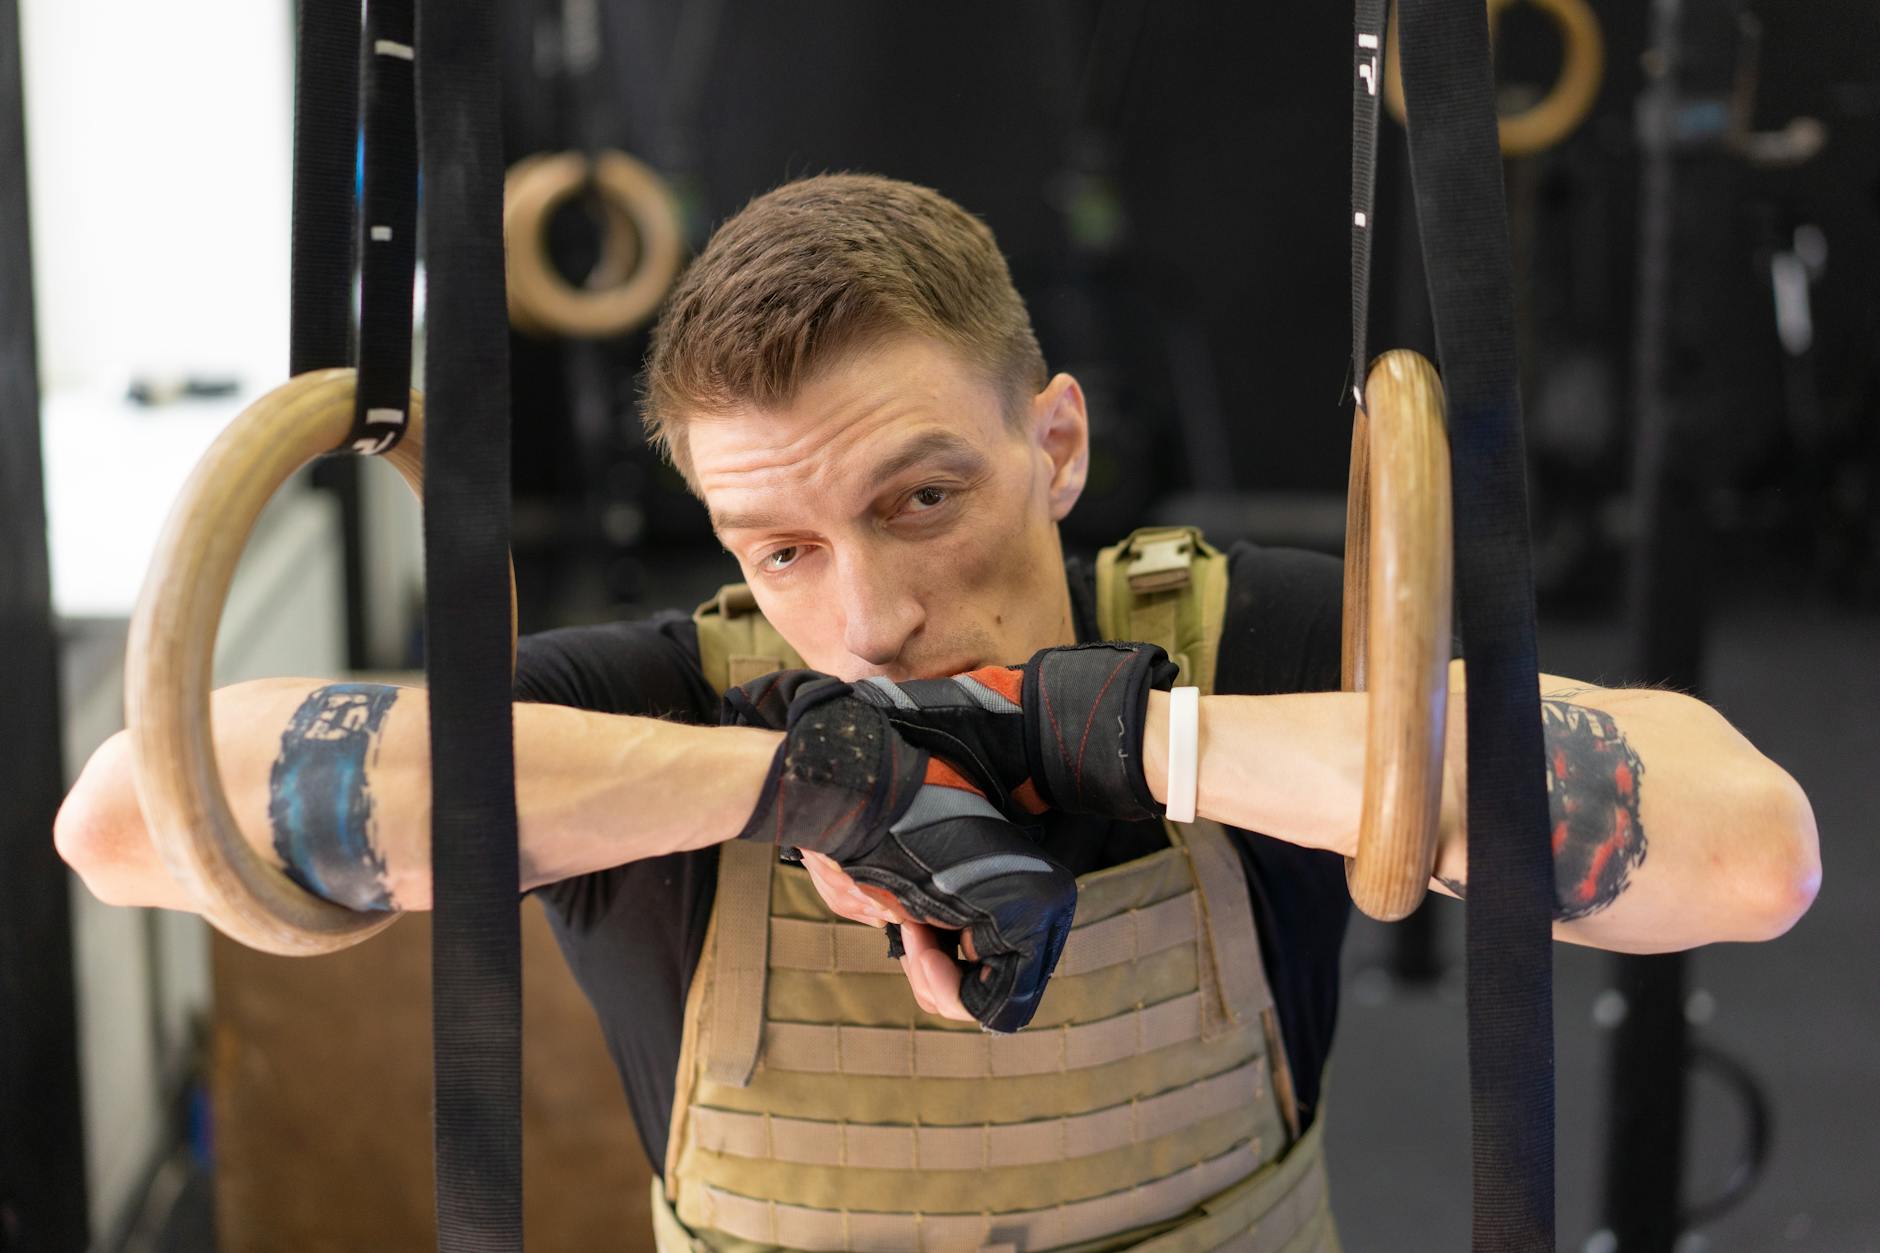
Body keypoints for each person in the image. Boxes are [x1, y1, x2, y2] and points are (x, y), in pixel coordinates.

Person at [55, 175, 1820, 1251]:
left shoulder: (1248, 644)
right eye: (785, 544)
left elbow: (1747, 858)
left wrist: (1147, 743)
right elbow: (127, 816)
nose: (872, 612)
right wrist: (804, 783)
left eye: (922, 500)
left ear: (1053, 443)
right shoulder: (662, 710)